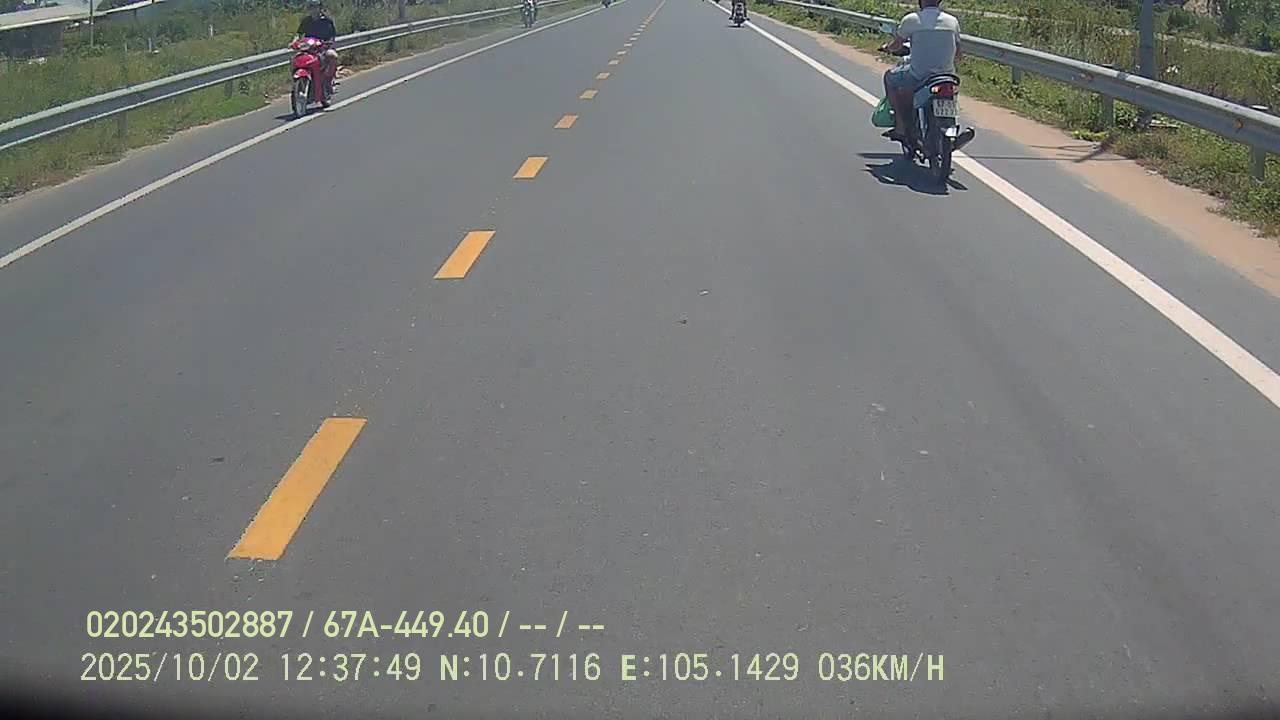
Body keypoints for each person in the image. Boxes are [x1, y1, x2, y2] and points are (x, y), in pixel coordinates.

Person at [878, 0, 961, 144]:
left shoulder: (911, 20)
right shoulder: (952, 21)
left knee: (889, 78)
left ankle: (900, 127)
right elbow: (958, 54)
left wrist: (887, 47)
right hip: (947, 76)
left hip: (918, 75)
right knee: (950, 94)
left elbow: (896, 45)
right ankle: (950, 127)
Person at [295, 1, 339, 99]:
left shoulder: (327, 21)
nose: (313, 9)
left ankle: (329, 79)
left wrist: (328, 43)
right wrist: (294, 42)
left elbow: (332, 36)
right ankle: (299, 83)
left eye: (315, 7)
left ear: (320, 8)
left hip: (323, 48)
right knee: (295, 59)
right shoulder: (306, 21)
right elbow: (299, 34)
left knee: (332, 55)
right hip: (309, 49)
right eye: (311, 7)